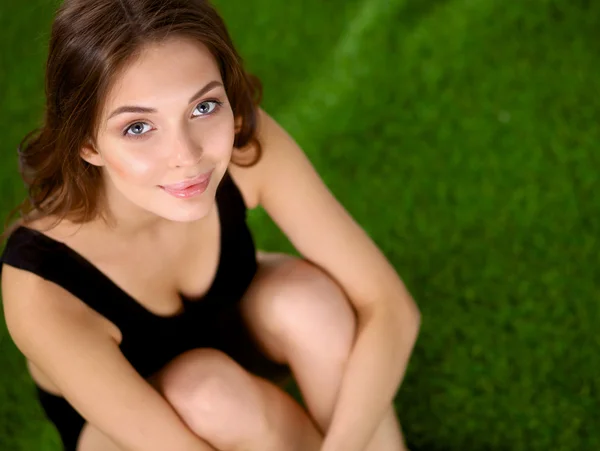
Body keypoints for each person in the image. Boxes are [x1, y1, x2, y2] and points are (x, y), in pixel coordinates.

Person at [0, 0, 421, 450]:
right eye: (139, 128)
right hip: (134, 433)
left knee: (308, 304)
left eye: (203, 107)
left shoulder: (243, 146)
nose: (187, 156)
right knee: (209, 393)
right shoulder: (40, 286)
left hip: (233, 344)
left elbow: (391, 308)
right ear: (87, 144)